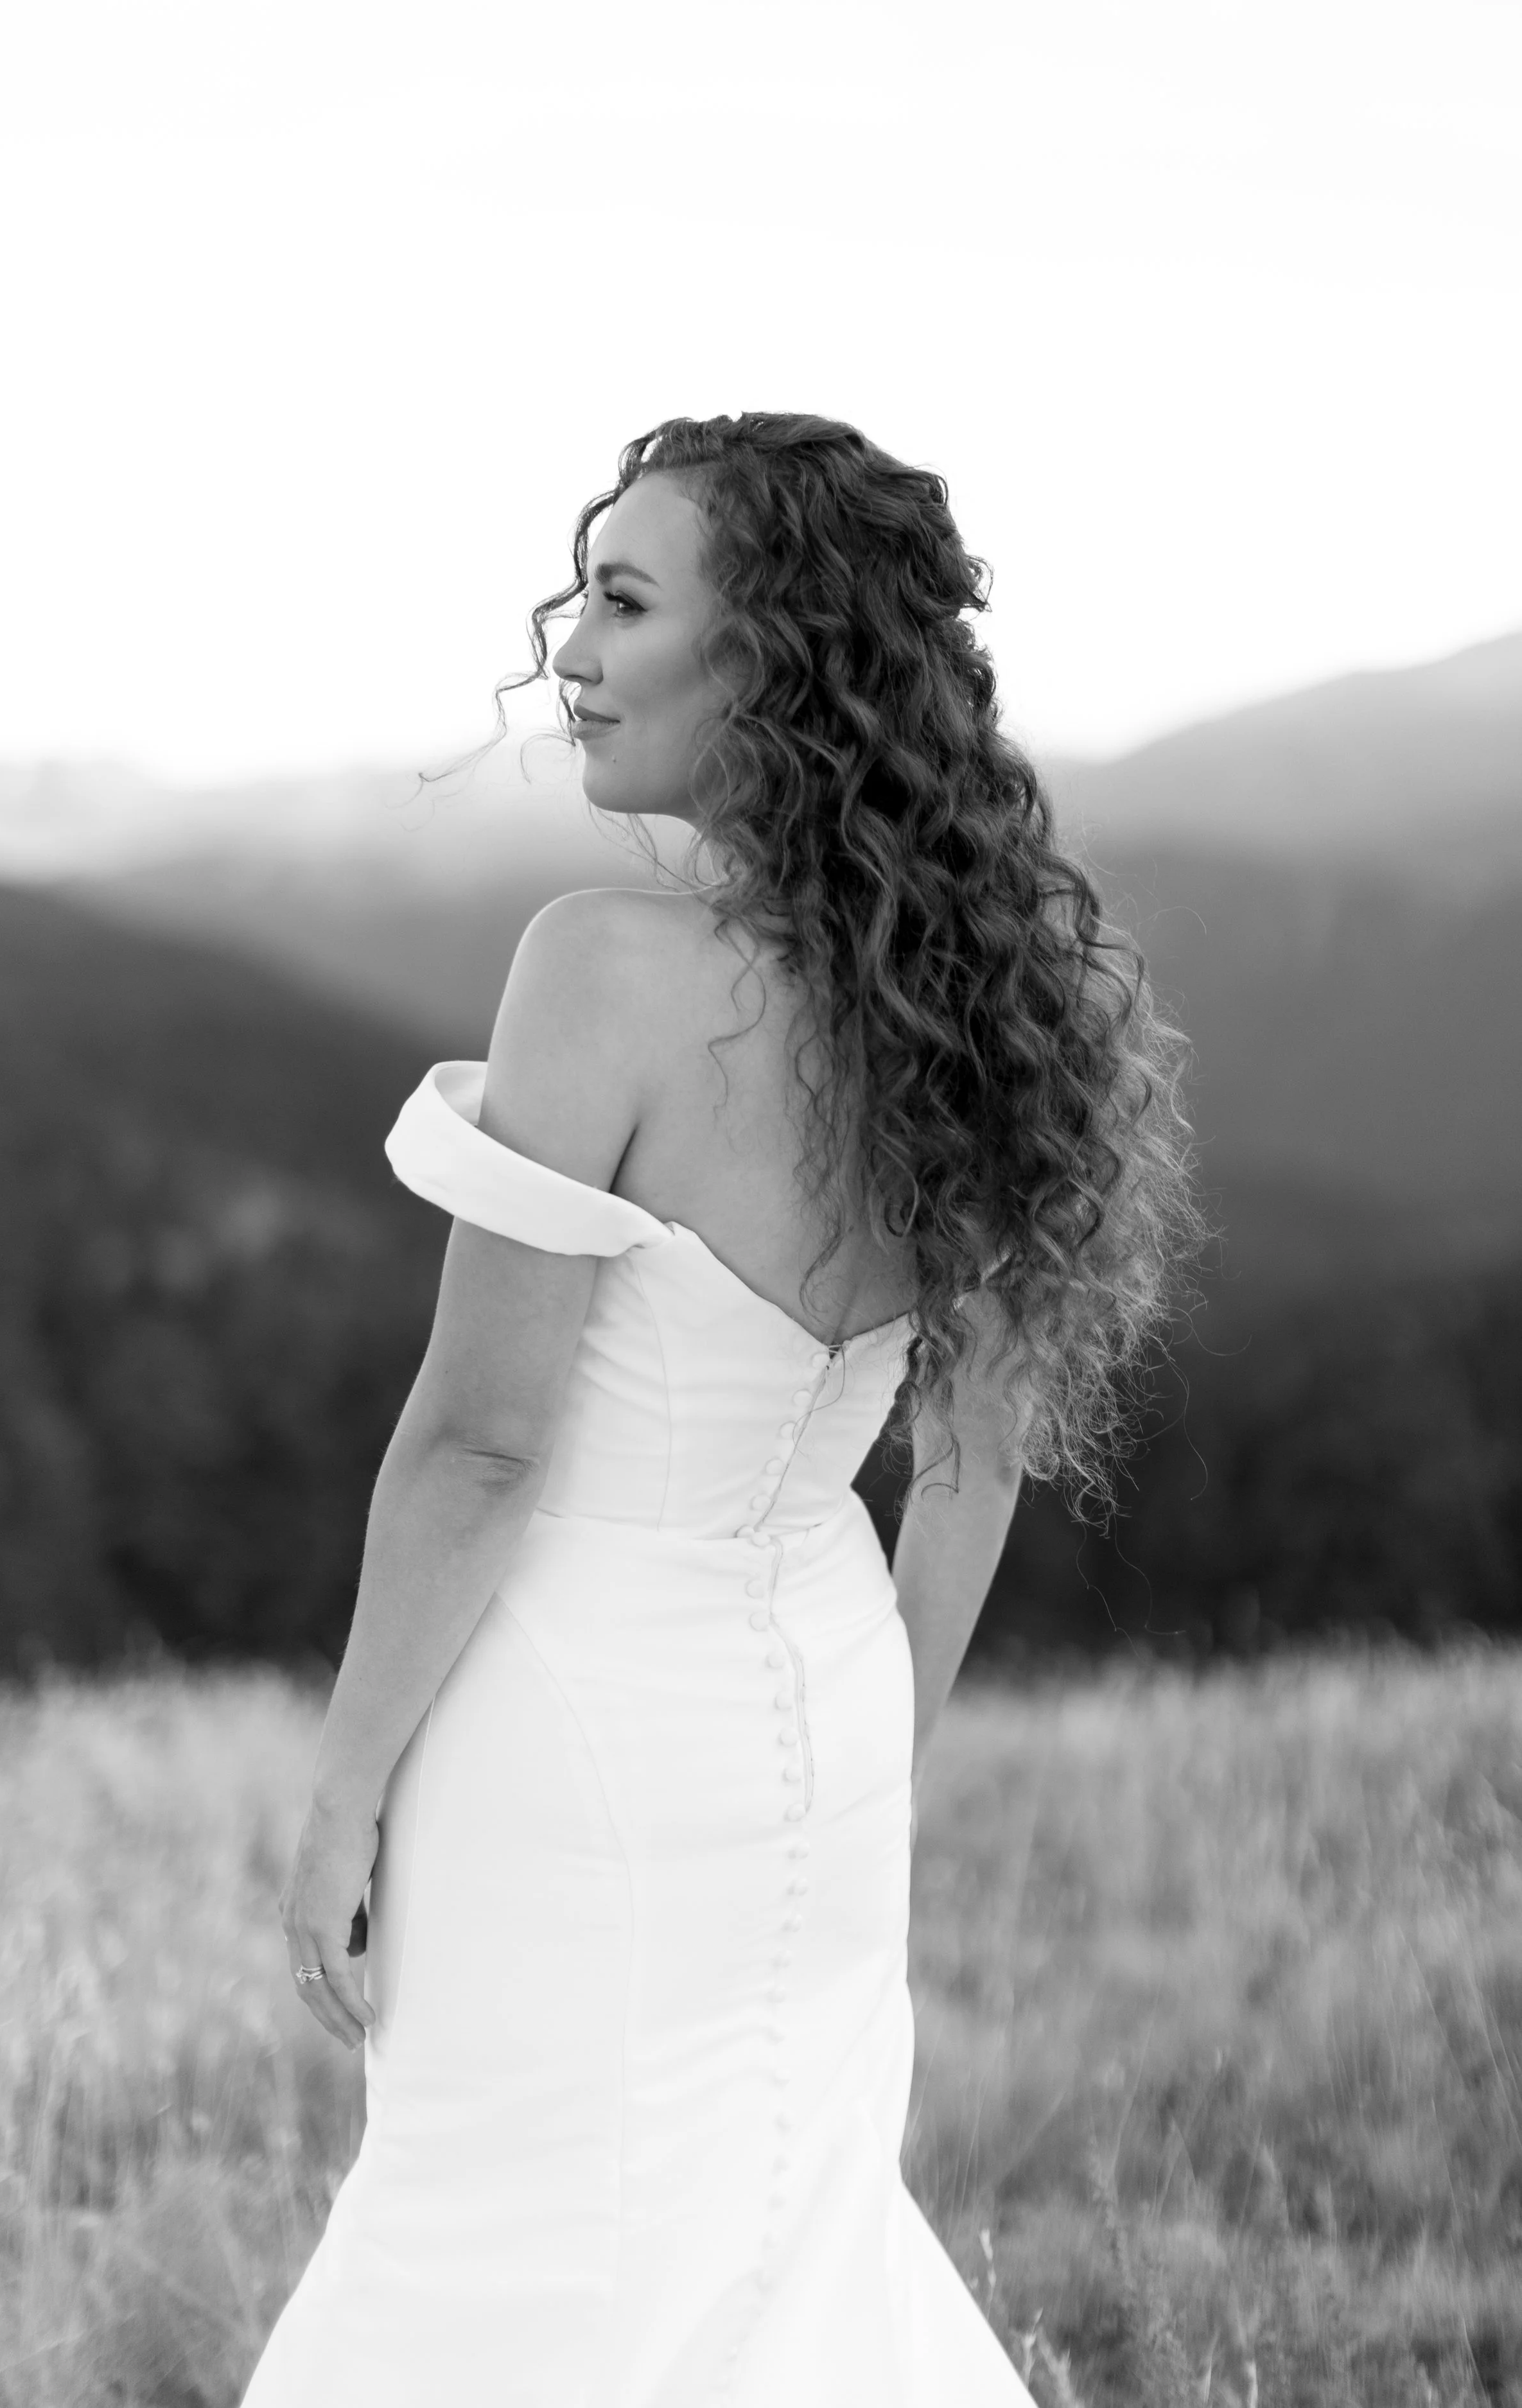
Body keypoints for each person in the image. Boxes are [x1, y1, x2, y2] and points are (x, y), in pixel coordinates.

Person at [240, 412, 1198, 2406]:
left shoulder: (598, 967)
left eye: (622, 595)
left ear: (767, 655)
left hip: (564, 1725)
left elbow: (481, 1445)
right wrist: (872, 1738)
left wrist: (341, 1792)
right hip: (822, 1711)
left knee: (488, 2252)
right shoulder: (991, 1004)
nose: (565, 645)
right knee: (779, 2254)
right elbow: (976, 1450)